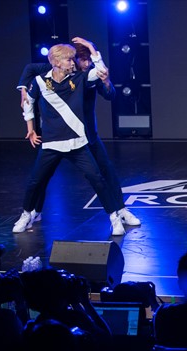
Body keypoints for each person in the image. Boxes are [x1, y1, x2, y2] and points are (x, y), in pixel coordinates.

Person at [16, 43, 141, 230]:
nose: (84, 63)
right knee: (41, 177)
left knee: (103, 173)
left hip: (85, 134)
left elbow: (108, 92)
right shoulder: (49, 73)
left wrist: (97, 62)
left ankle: (120, 211)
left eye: (87, 60)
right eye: (81, 60)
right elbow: (30, 72)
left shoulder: (84, 76)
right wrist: (24, 90)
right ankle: (33, 212)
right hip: (55, 137)